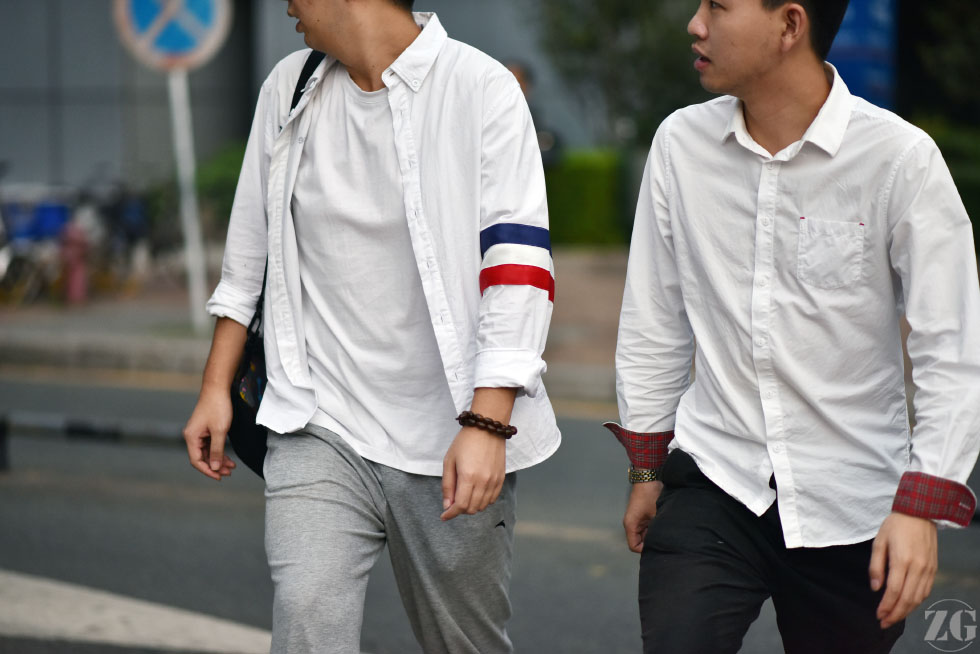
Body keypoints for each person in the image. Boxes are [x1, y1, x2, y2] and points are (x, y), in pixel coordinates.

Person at [181, 1, 560, 652]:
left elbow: (518, 268)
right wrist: (216, 387)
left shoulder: (480, 88)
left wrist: (487, 422)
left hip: (449, 434)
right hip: (317, 421)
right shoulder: (289, 87)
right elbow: (248, 253)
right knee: (306, 615)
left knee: (462, 642)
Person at [606, 0, 980, 652]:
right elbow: (654, 319)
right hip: (715, 480)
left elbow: (951, 346)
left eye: (719, 6)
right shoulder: (680, 145)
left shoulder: (899, 159)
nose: (695, 23)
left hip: (855, 506)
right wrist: (646, 469)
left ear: (789, 25)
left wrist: (920, 506)